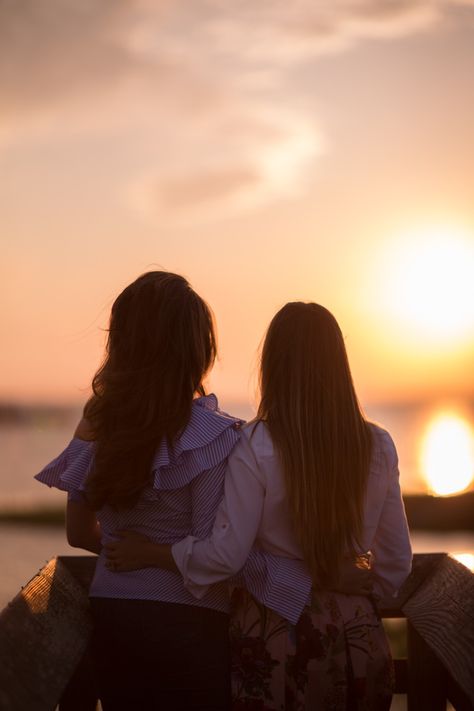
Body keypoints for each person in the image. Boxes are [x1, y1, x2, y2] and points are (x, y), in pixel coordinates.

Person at [107, 302, 412, 710]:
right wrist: (341, 580)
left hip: (275, 632)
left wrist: (149, 552)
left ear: (273, 365)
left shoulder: (256, 444)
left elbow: (225, 558)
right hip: (356, 636)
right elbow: (396, 564)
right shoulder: (378, 445)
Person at [35, 271, 244, 710]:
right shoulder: (213, 433)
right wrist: (160, 557)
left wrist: (126, 555)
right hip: (190, 622)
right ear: (196, 347)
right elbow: (213, 554)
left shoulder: (97, 423)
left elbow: (78, 533)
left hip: (114, 611)